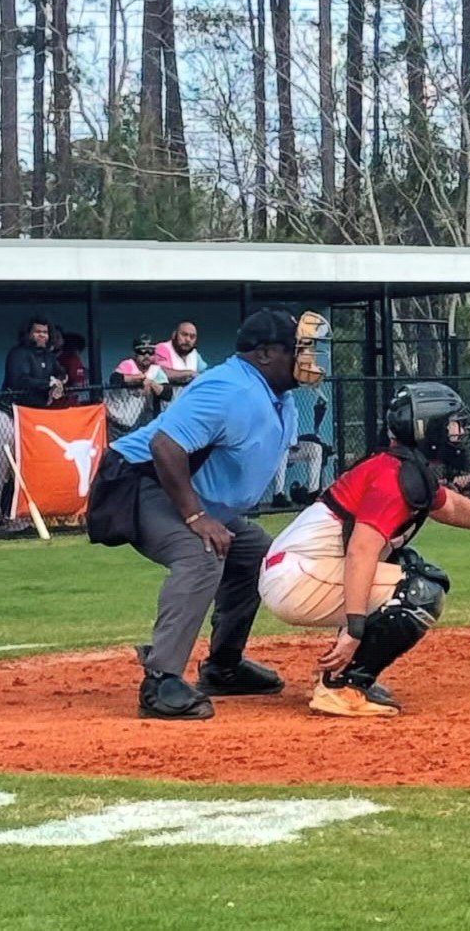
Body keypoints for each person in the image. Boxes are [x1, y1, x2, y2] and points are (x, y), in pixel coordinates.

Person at [259, 381, 470, 717]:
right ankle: (342, 687)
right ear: (429, 429)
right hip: (296, 577)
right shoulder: (394, 477)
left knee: (408, 565)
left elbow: (452, 507)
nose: (459, 431)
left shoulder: (402, 468)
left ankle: (342, 675)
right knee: (419, 590)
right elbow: (361, 552)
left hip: (299, 570)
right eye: (452, 423)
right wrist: (354, 630)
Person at [86, 308, 331, 720]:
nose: (308, 359)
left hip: (183, 489)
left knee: (255, 553)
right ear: (266, 353)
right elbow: (166, 446)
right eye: (298, 349)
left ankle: (223, 667)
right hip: (136, 482)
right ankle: (160, 682)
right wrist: (196, 517)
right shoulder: (230, 387)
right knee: (201, 555)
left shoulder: (277, 397)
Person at [0, 316, 66, 539]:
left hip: (27, 419)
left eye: (45, 332)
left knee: (26, 469)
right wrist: (47, 383)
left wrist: (60, 382)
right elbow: (20, 380)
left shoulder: (48, 357)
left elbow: (61, 373)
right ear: (28, 333)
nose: (42, 336)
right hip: (4, 414)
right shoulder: (18, 353)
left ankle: (16, 519)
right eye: (37, 332)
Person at [104, 335, 173, 434]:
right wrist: (139, 379)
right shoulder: (128, 365)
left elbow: (168, 394)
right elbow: (114, 379)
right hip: (116, 420)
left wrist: (151, 383)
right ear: (135, 354)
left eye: (150, 352)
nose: (147, 356)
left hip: (139, 421)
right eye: (142, 352)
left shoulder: (155, 370)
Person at [153, 321, 207, 391]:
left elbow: (203, 372)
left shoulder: (194, 353)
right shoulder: (162, 348)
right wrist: (189, 373)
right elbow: (161, 373)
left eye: (192, 337)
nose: (188, 339)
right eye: (184, 335)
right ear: (174, 335)